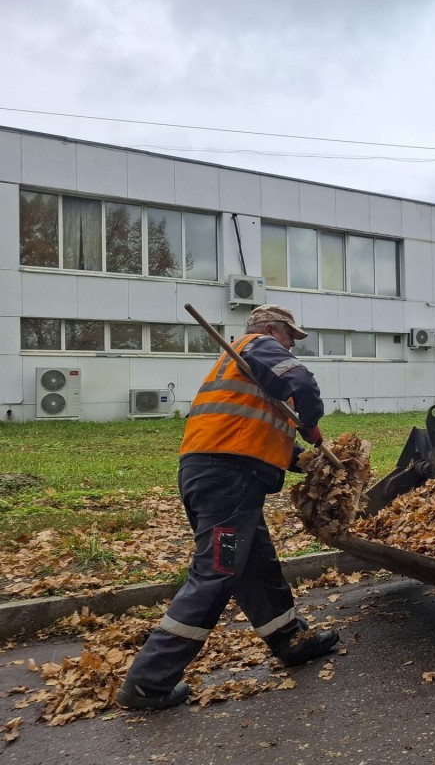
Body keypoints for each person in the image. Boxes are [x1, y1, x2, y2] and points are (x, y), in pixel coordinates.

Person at [118, 304, 339, 710]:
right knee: (216, 572)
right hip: (228, 477)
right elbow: (301, 381)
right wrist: (311, 422)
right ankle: (148, 683)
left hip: (220, 473)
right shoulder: (258, 345)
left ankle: (291, 641)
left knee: (254, 563)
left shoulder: (242, 368)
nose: (293, 346)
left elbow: (251, 430)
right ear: (272, 329)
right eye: (291, 336)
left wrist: (305, 460)